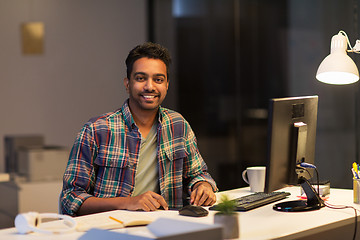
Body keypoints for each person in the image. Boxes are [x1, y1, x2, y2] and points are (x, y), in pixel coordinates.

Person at [60, 42, 218, 216]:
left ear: (166, 85)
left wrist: (202, 186)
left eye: (158, 79)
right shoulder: (96, 131)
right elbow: (70, 197)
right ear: (127, 84)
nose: (150, 86)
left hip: (168, 225)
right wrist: (128, 203)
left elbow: (198, 174)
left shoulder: (178, 125)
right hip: (112, 230)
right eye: (141, 78)